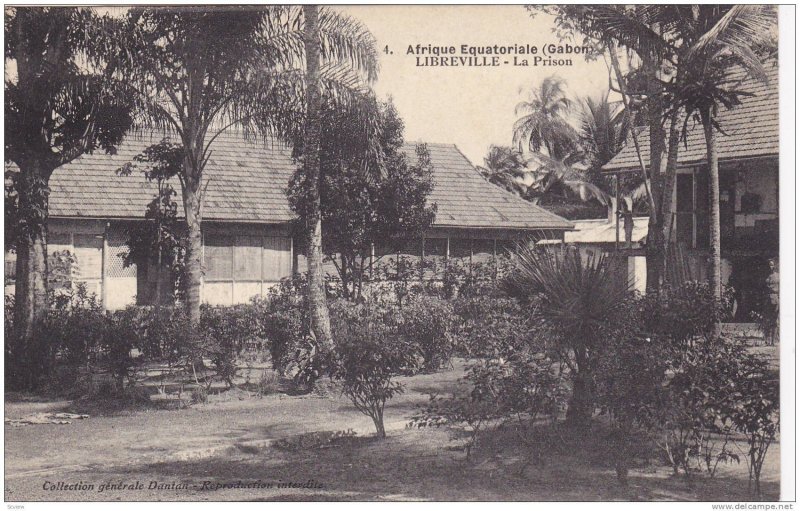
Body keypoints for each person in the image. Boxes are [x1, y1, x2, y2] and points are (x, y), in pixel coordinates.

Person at [765, 258, 779, 345]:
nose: (770, 267)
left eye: (772, 265)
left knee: (775, 320)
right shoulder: (766, 276)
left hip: (776, 298)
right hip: (767, 299)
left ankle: (773, 341)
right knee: (767, 320)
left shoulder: (778, 276)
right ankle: (767, 340)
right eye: (769, 265)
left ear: (774, 266)